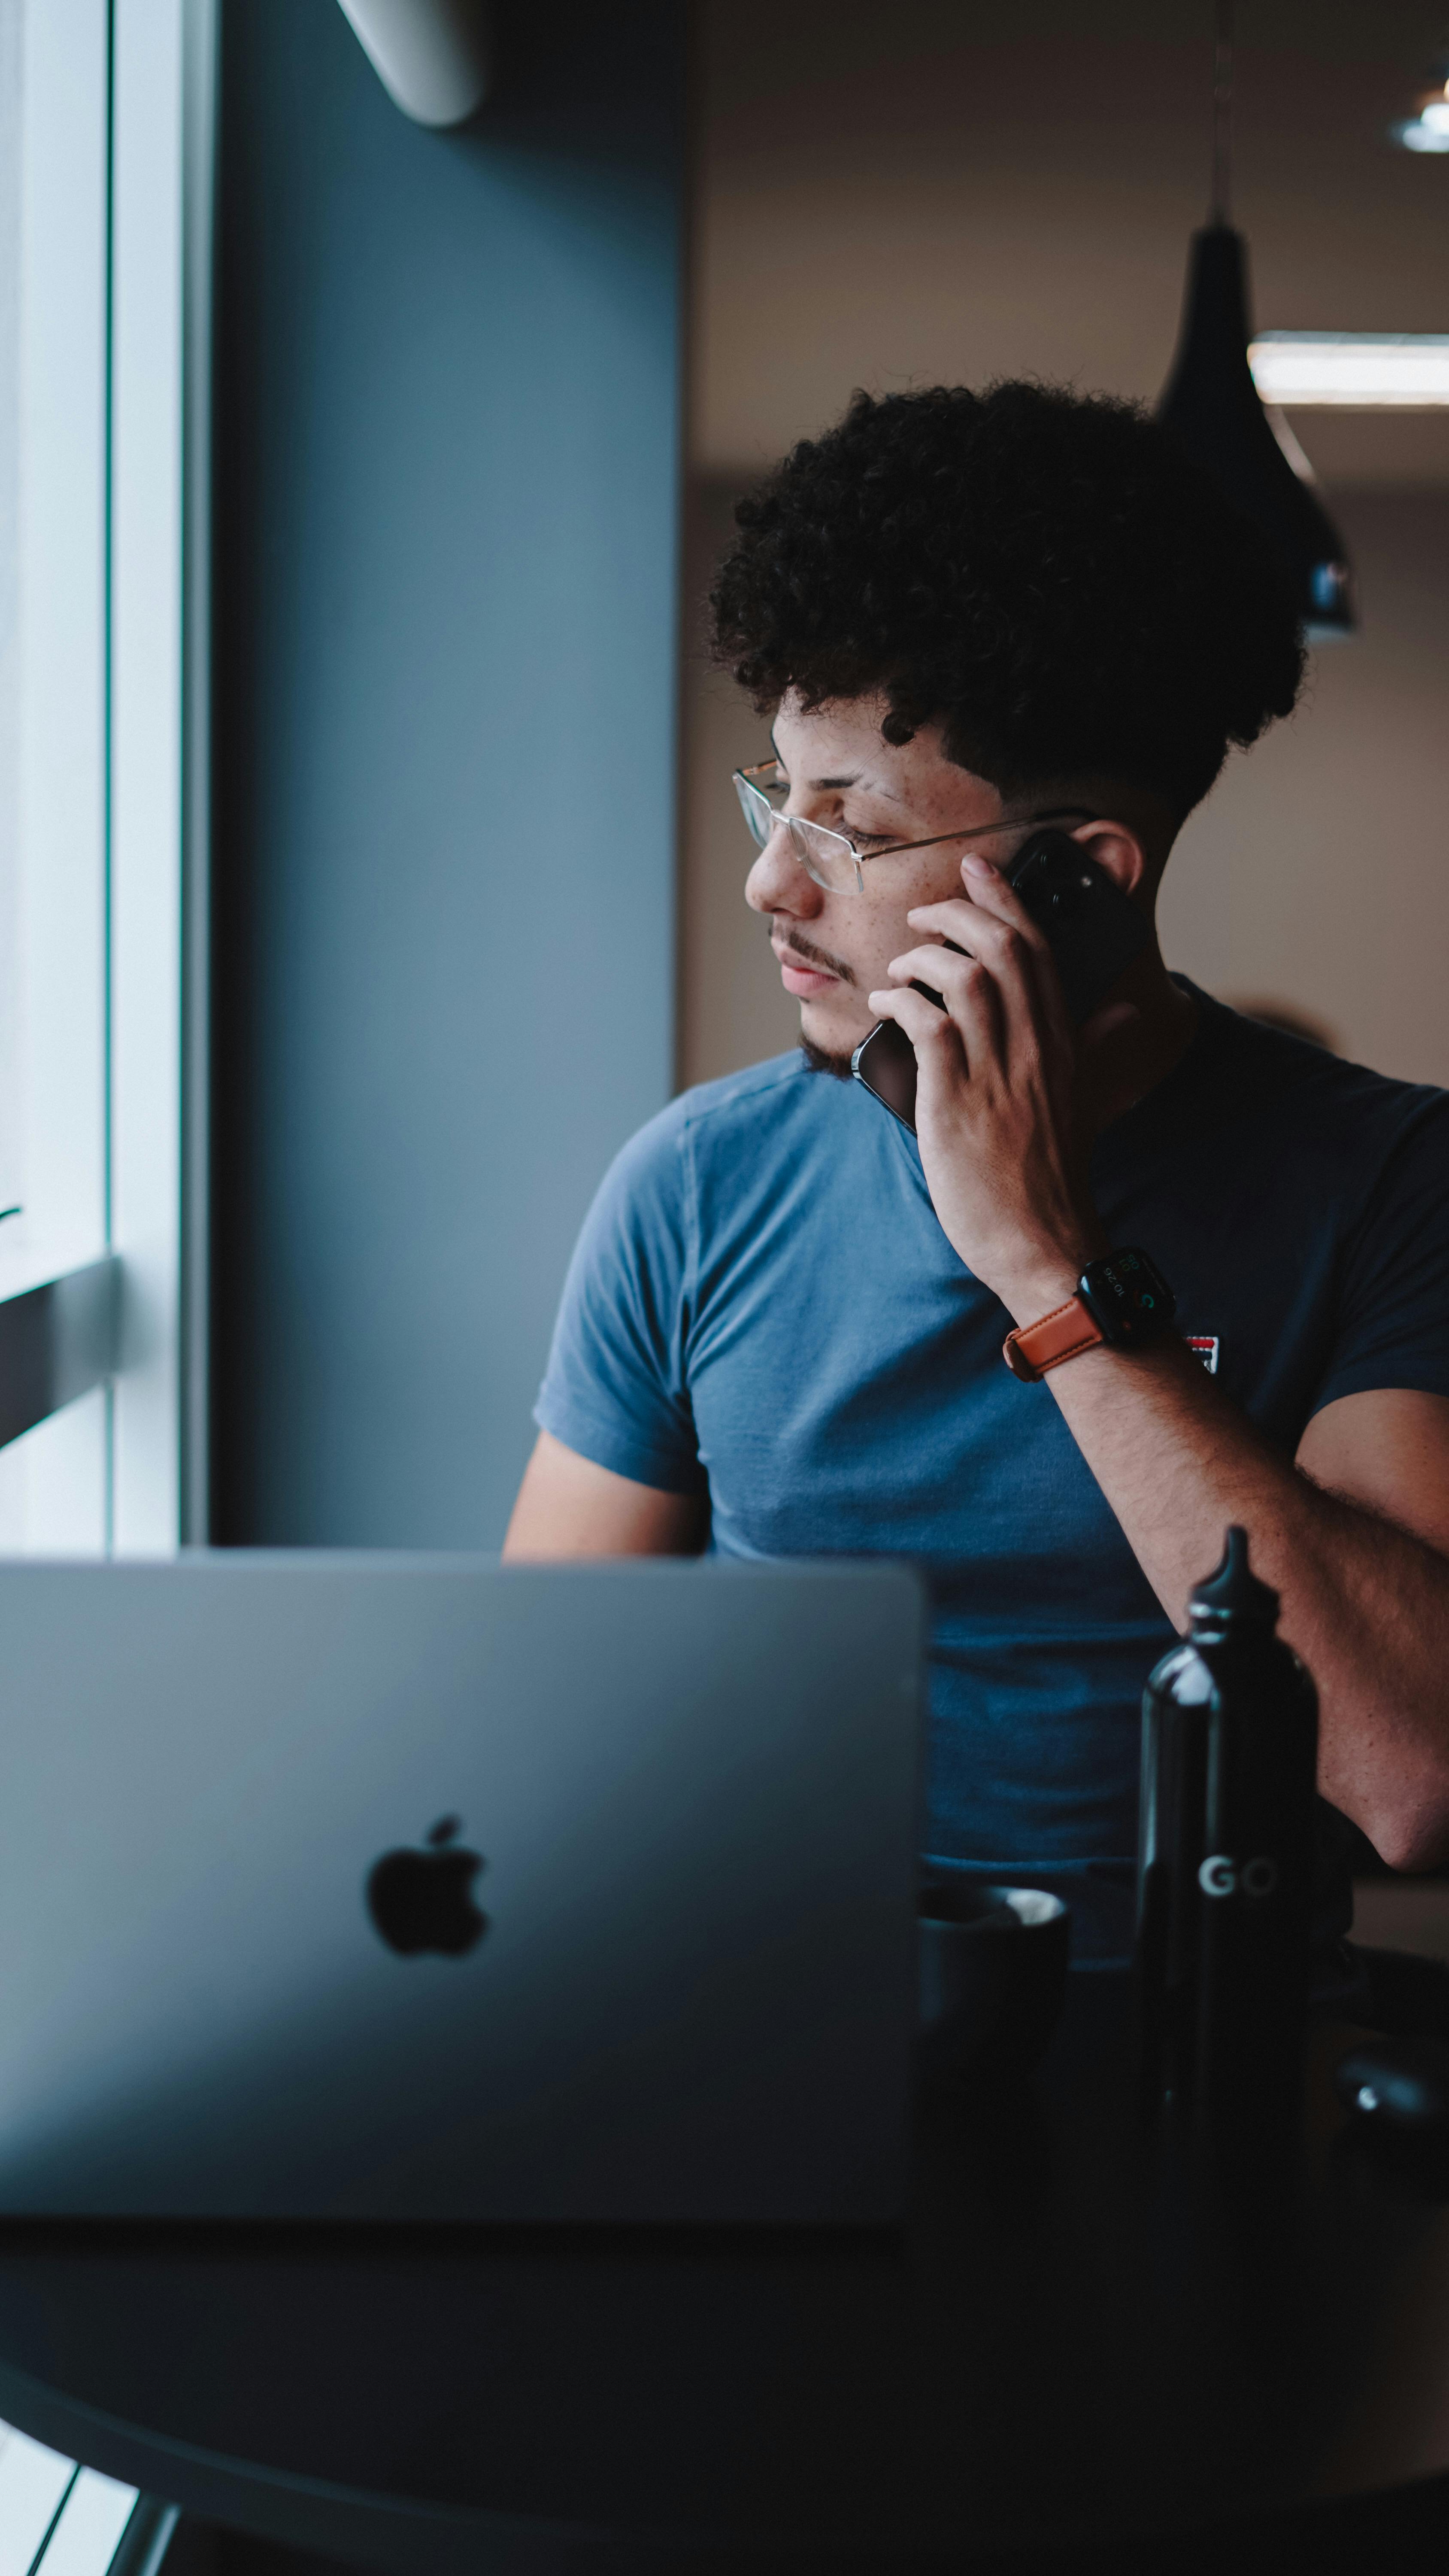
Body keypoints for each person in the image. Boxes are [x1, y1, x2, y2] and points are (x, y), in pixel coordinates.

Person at [504, 380, 1449, 1956]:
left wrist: (1045, 1264)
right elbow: (538, 1717)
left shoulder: (1396, 1179)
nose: (767, 882)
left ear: (1079, 877)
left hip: (1195, 2056)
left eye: (845, 828)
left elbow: (1411, 1775)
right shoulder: (697, 1185)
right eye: (772, 800)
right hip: (755, 2020)